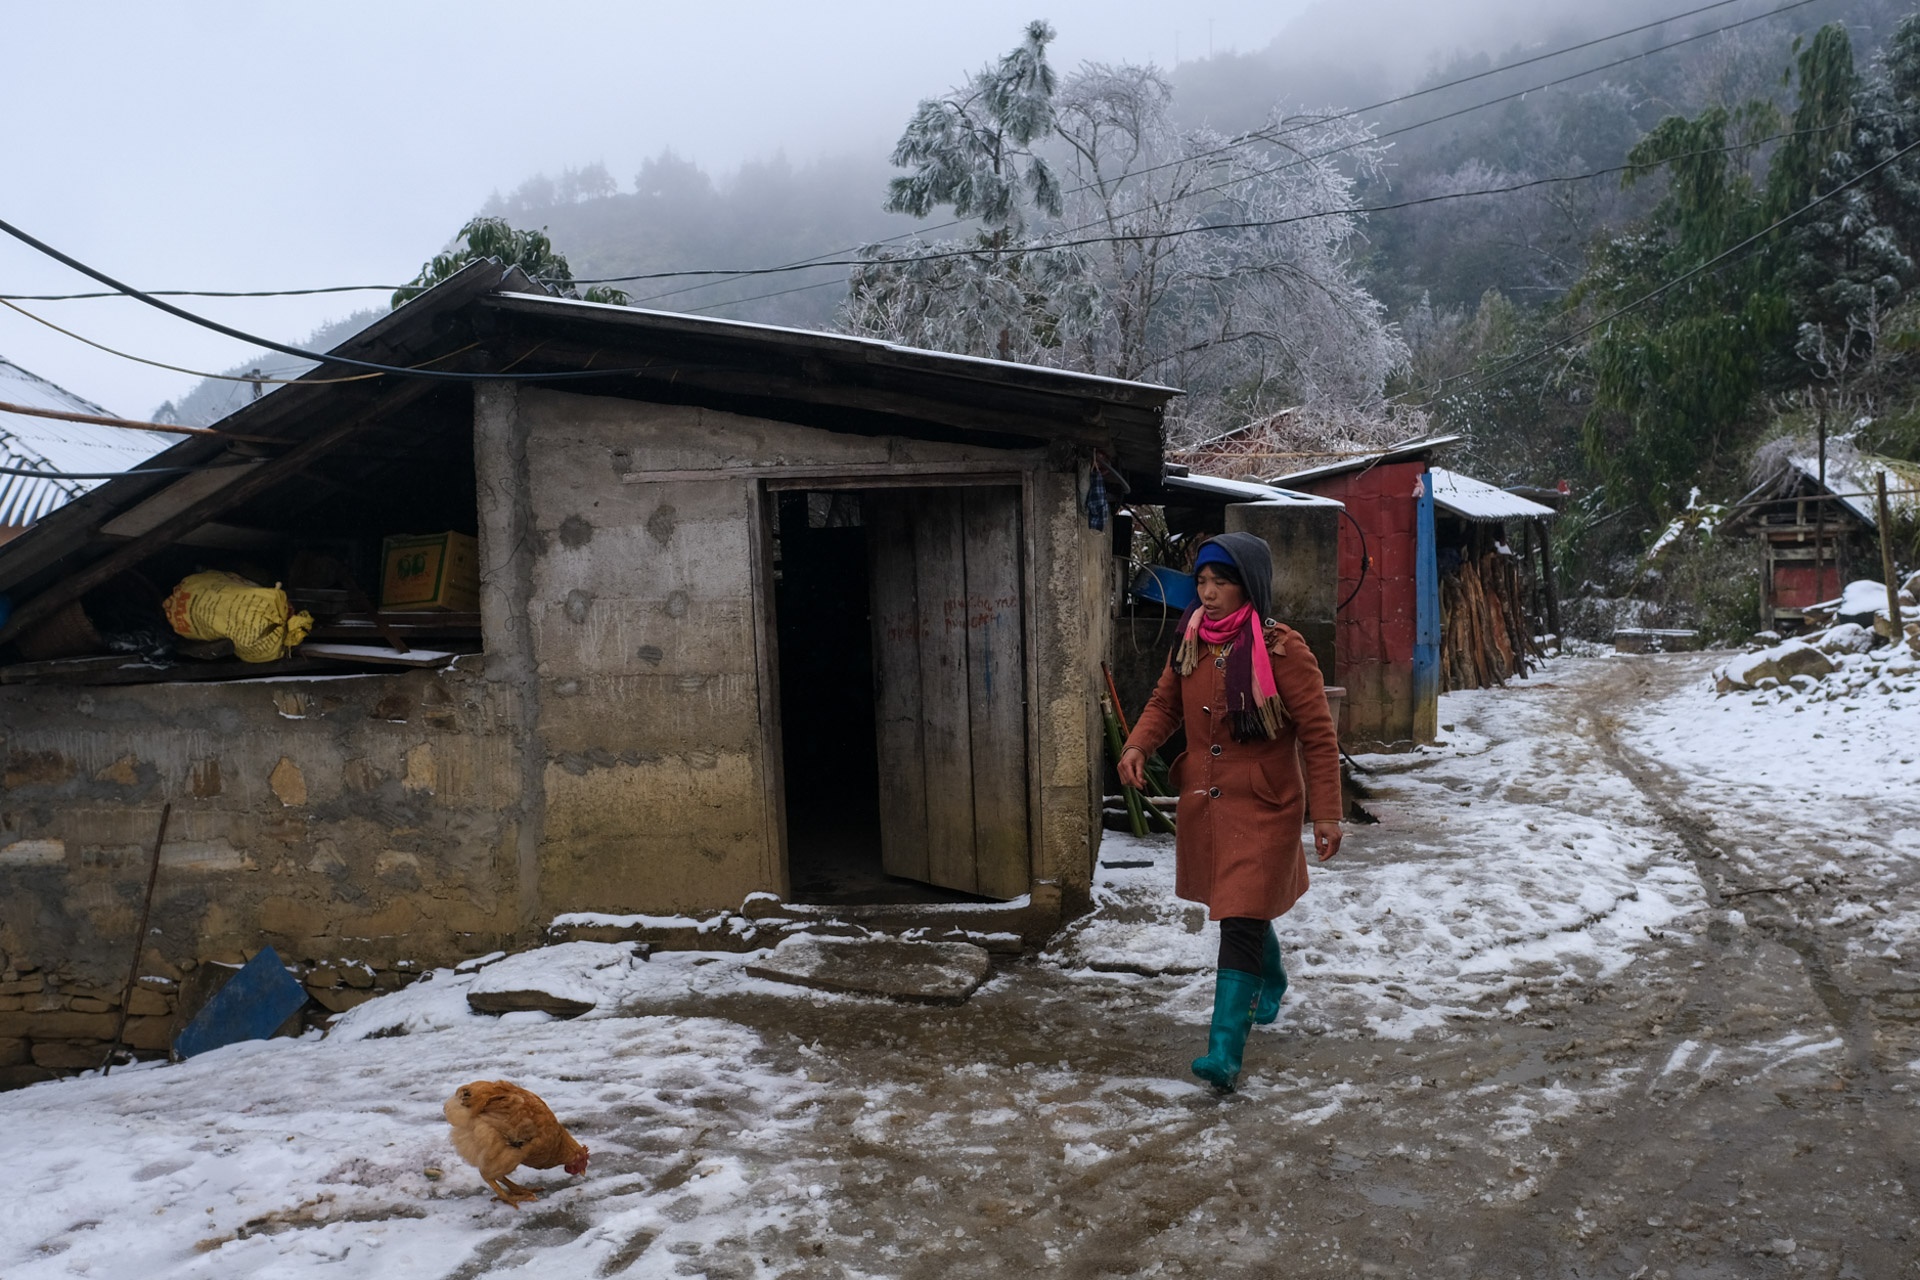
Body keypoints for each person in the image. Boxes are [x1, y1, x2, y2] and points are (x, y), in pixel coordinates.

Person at [1118, 532, 1343, 1091]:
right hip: (1210, 803)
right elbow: (1166, 703)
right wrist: (1137, 745)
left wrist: (1329, 815)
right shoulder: (1190, 641)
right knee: (1241, 906)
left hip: (1266, 806)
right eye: (1203, 582)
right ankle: (1272, 979)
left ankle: (1223, 1053)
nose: (1209, 593)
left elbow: (1317, 736)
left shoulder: (1284, 650)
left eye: (1222, 582)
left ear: (1251, 586)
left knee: (1239, 917)